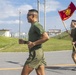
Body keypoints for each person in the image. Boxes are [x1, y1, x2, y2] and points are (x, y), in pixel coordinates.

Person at [20, 9, 49, 75]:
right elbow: (34, 40)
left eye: (28, 15)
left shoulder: (36, 25)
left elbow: (46, 37)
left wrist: (33, 44)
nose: (27, 17)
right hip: (38, 53)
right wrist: (24, 42)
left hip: (35, 53)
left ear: (33, 16)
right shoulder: (33, 26)